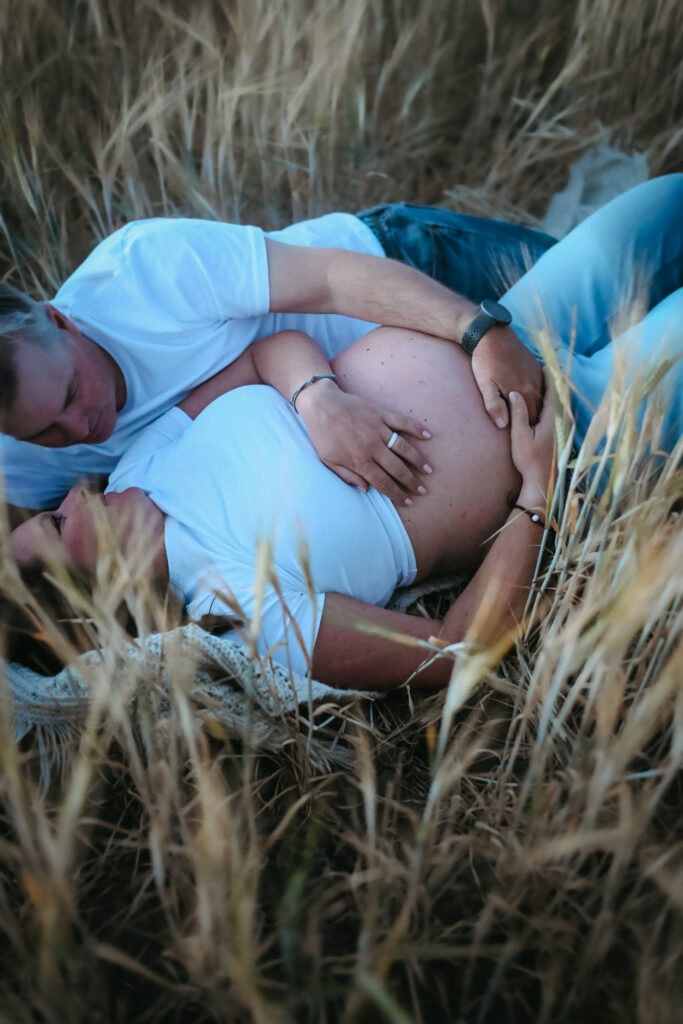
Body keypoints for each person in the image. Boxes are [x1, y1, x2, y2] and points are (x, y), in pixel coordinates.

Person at [7, 175, 683, 689]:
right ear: (97, 598)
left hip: (511, 326)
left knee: (666, 202)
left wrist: (317, 399)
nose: (69, 491)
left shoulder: (140, 463)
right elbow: (454, 649)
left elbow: (264, 354)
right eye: (57, 524)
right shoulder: (238, 607)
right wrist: (538, 490)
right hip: (585, 427)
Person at [0, 204, 554, 519]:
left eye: (71, 394)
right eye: (46, 432)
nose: (80, 430)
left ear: (61, 322)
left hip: (409, 272)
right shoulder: (17, 459)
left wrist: (477, 329)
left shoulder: (146, 269)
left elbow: (332, 281)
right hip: (418, 392)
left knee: (601, 274)